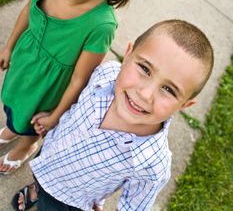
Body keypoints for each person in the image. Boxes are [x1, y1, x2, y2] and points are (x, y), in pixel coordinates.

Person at [13, 19, 214, 211]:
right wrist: (55, 117)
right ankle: (35, 190)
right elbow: (75, 105)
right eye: (144, 68)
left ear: (184, 105)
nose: (145, 94)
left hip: (70, 200)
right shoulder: (106, 74)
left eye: (169, 90)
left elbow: (133, 206)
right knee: (39, 178)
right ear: (127, 55)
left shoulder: (152, 164)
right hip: (50, 155)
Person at [0, 0, 135, 174]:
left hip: (48, 91)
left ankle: (26, 146)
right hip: (25, 64)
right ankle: (13, 128)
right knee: (13, 104)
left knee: (32, 122)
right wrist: (9, 46)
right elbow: (29, 10)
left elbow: (79, 79)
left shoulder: (100, 24)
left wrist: (55, 116)